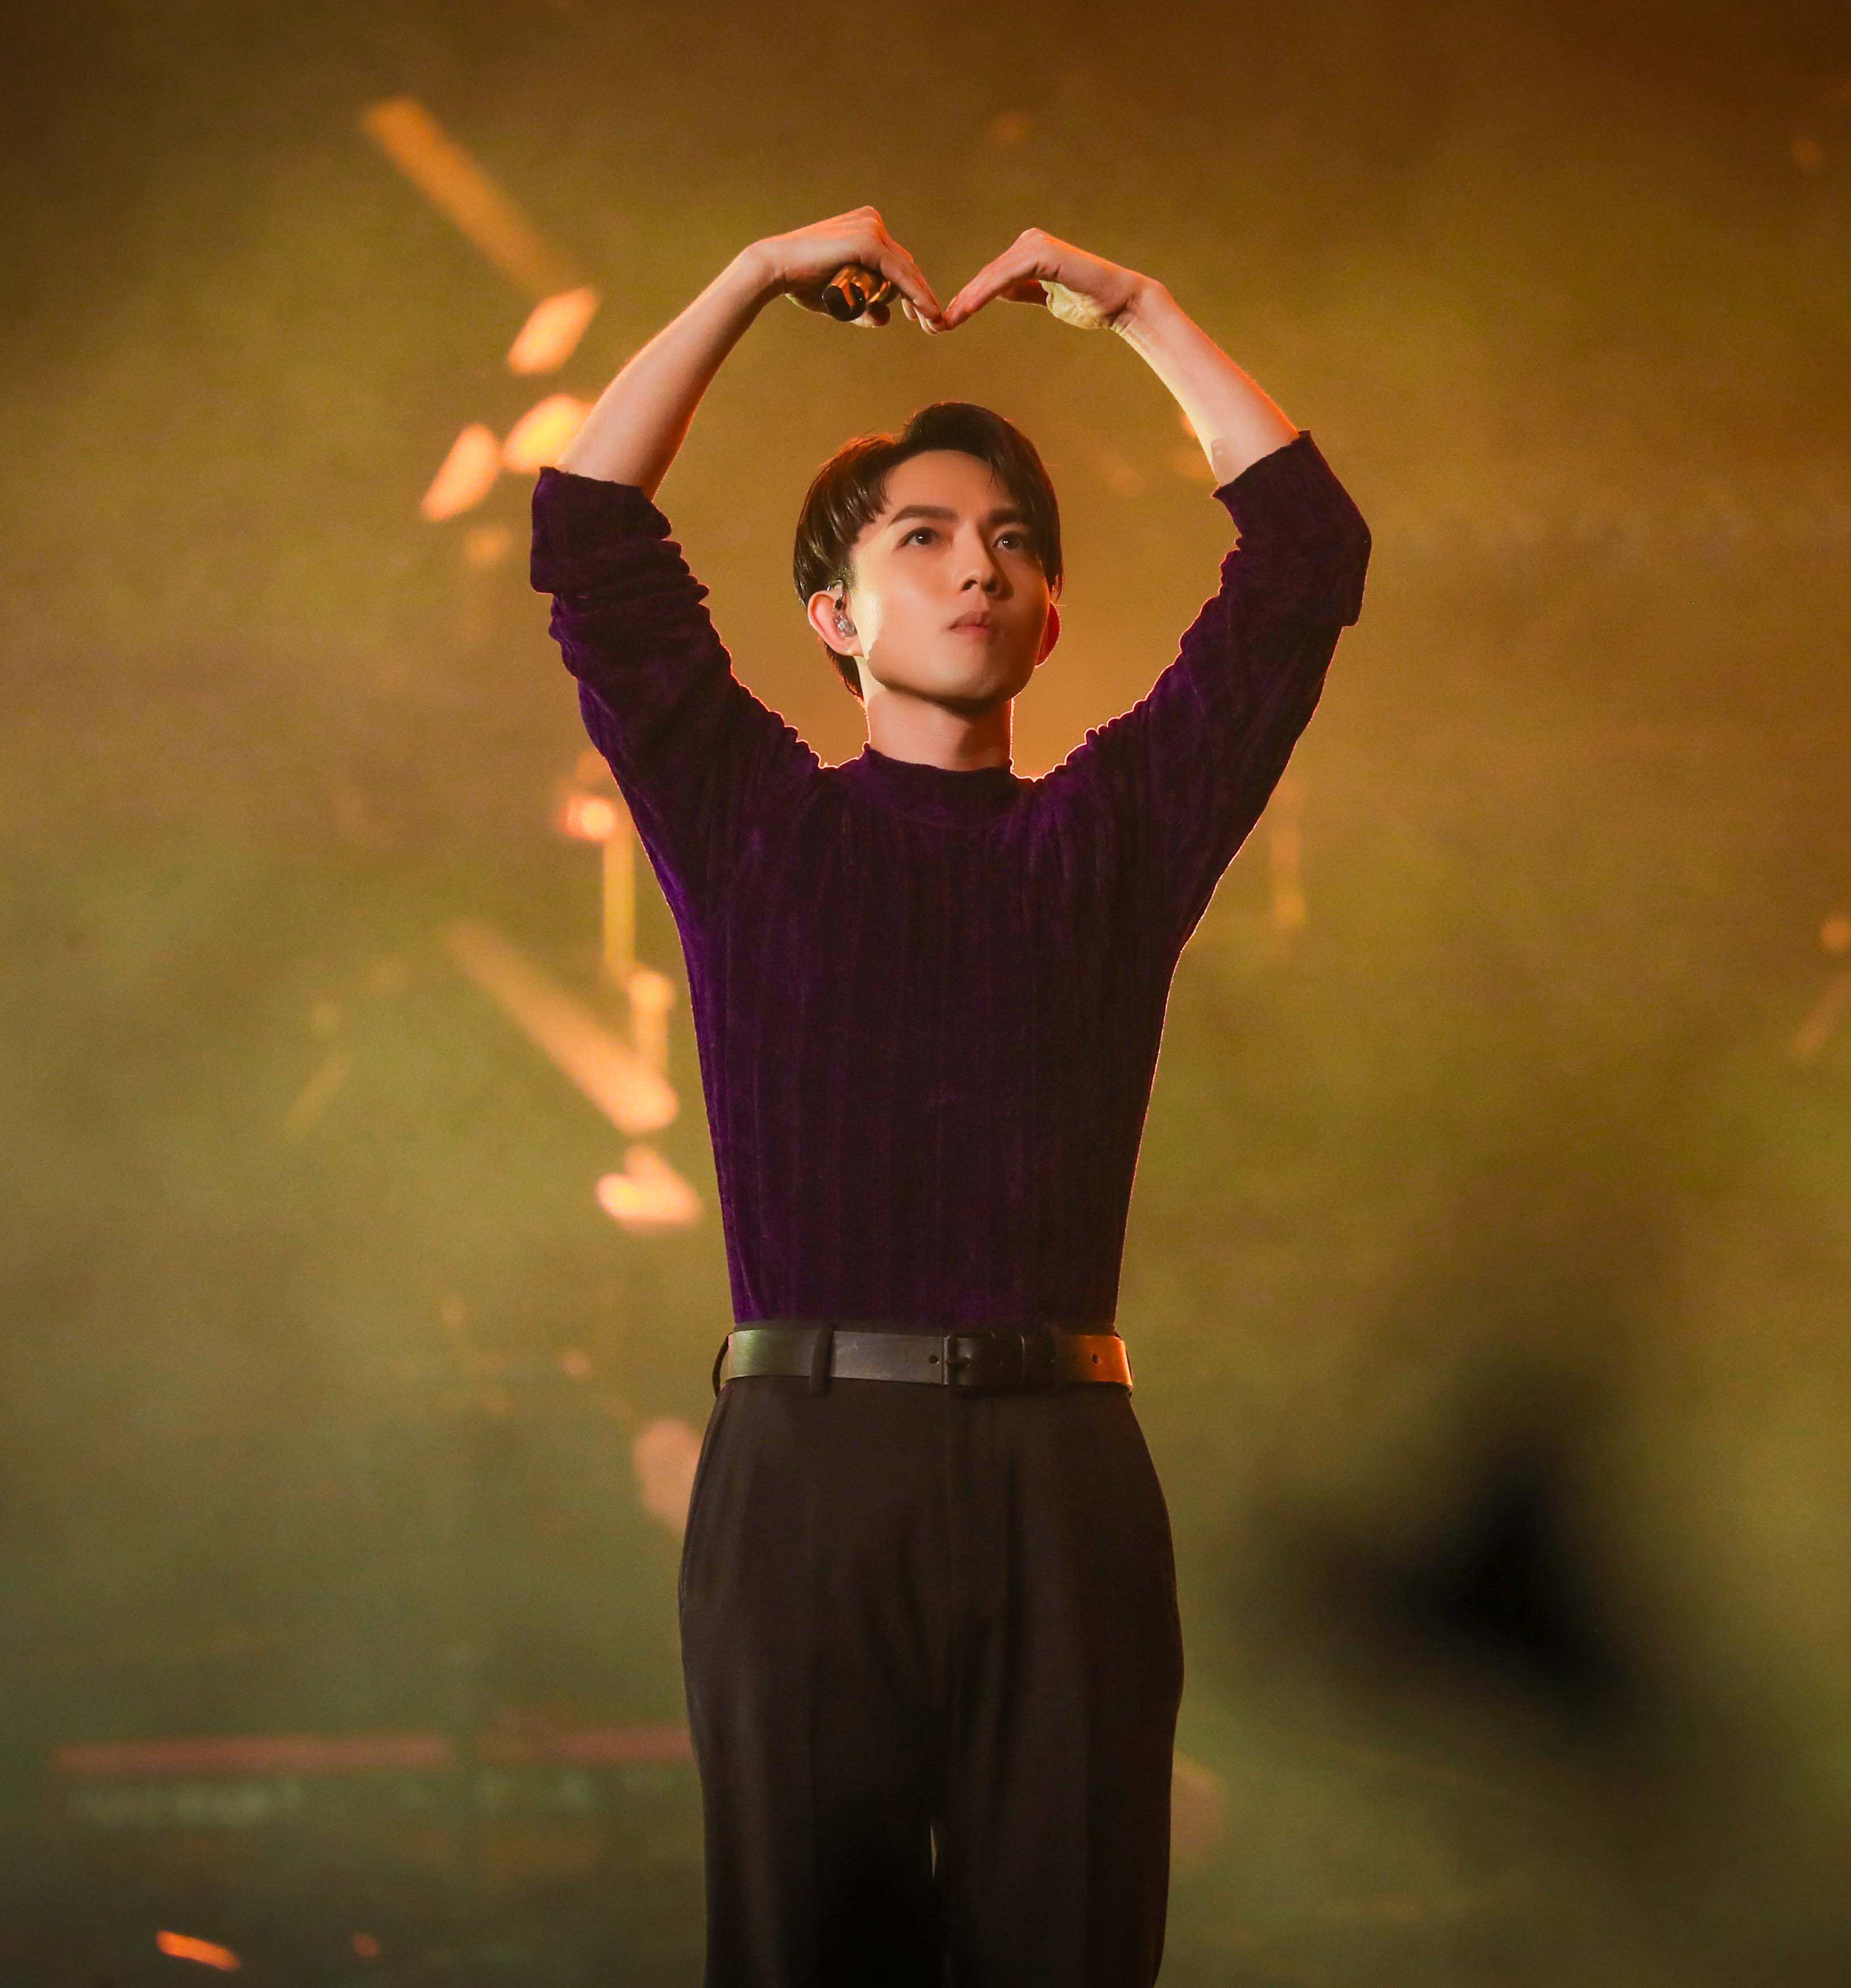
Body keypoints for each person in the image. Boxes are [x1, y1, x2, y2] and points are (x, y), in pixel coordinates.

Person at [534, 207, 1370, 1987]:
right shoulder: (758, 829)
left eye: (1012, 543)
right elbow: (590, 526)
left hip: (1064, 1471)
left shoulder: (1109, 842)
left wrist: (1139, 306)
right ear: (833, 616)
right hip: (808, 1466)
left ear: (1051, 618)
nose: (977, 567)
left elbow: (1307, 557)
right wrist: (750, 278)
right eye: (922, 537)